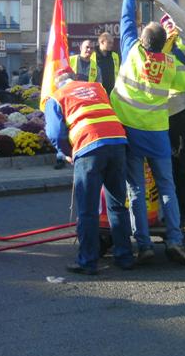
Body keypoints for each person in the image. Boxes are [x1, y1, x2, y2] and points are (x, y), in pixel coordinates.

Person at [110, 0, 185, 265]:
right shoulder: (170, 63)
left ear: (142, 41)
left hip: (130, 130)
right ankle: (175, 239)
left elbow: (126, 22)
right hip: (157, 131)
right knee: (167, 186)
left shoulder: (131, 51)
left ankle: (143, 244)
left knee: (136, 190)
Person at [44, 68, 133, 275]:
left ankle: (88, 261)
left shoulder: (56, 97)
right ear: (75, 79)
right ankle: (125, 256)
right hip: (118, 143)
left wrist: (67, 153)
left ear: (57, 83)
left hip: (89, 147)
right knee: (118, 205)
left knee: (88, 210)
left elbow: (55, 133)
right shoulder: (96, 87)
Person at [139, 0, 185, 229]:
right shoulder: (155, 50)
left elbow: (182, 17)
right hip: (165, 112)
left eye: (170, 26)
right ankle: (168, 209)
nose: (169, 29)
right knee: (167, 165)